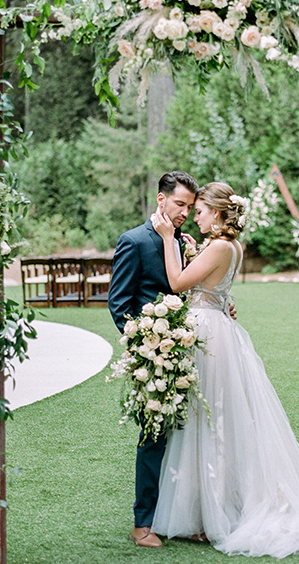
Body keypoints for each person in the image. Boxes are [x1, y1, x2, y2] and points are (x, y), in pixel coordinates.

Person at [150, 182, 299, 558]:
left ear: (217, 212)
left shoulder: (218, 246)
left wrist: (169, 237)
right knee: (215, 419)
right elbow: (216, 290)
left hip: (208, 334)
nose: (194, 215)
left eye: (199, 210)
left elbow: (177, 282)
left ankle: (210, 514)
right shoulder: (233, 246)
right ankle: (208, 509)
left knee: (209, 420)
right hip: (219, 327)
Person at [108, 171, 198, 549]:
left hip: (189, 351)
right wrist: (147, 344)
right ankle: (142, 522)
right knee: (154, 439)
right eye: (180, 205)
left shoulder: (185, 242)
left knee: (192, 438)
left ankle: (185, 516)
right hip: (153, 358)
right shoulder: (134, 241)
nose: (185, 214)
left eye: (190, 208)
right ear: (160, 200)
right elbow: (119, 304)